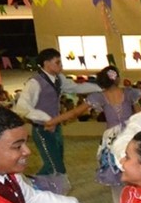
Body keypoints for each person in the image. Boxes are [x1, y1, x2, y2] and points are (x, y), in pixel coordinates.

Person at [13, 48, 99, 194]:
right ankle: (45, 190)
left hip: (55, 127)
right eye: (57, 62)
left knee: (53, 162)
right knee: (55, 165)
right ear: (46, 63)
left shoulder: (59, 79)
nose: (61, 66)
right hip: (42, 129)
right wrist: (47, 120)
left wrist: (101, 87)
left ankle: (30, 187)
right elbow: (21, 107)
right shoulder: (34, 83)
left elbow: (75, 87)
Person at [87, 66, 141, 203]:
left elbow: (75, 112)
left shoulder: (100, 96)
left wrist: (53, 121)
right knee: (135, 165)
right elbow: (140, 115)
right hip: (131, 134)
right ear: (116, 78)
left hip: (111, 138)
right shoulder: (129, 93)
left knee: (114, 170)